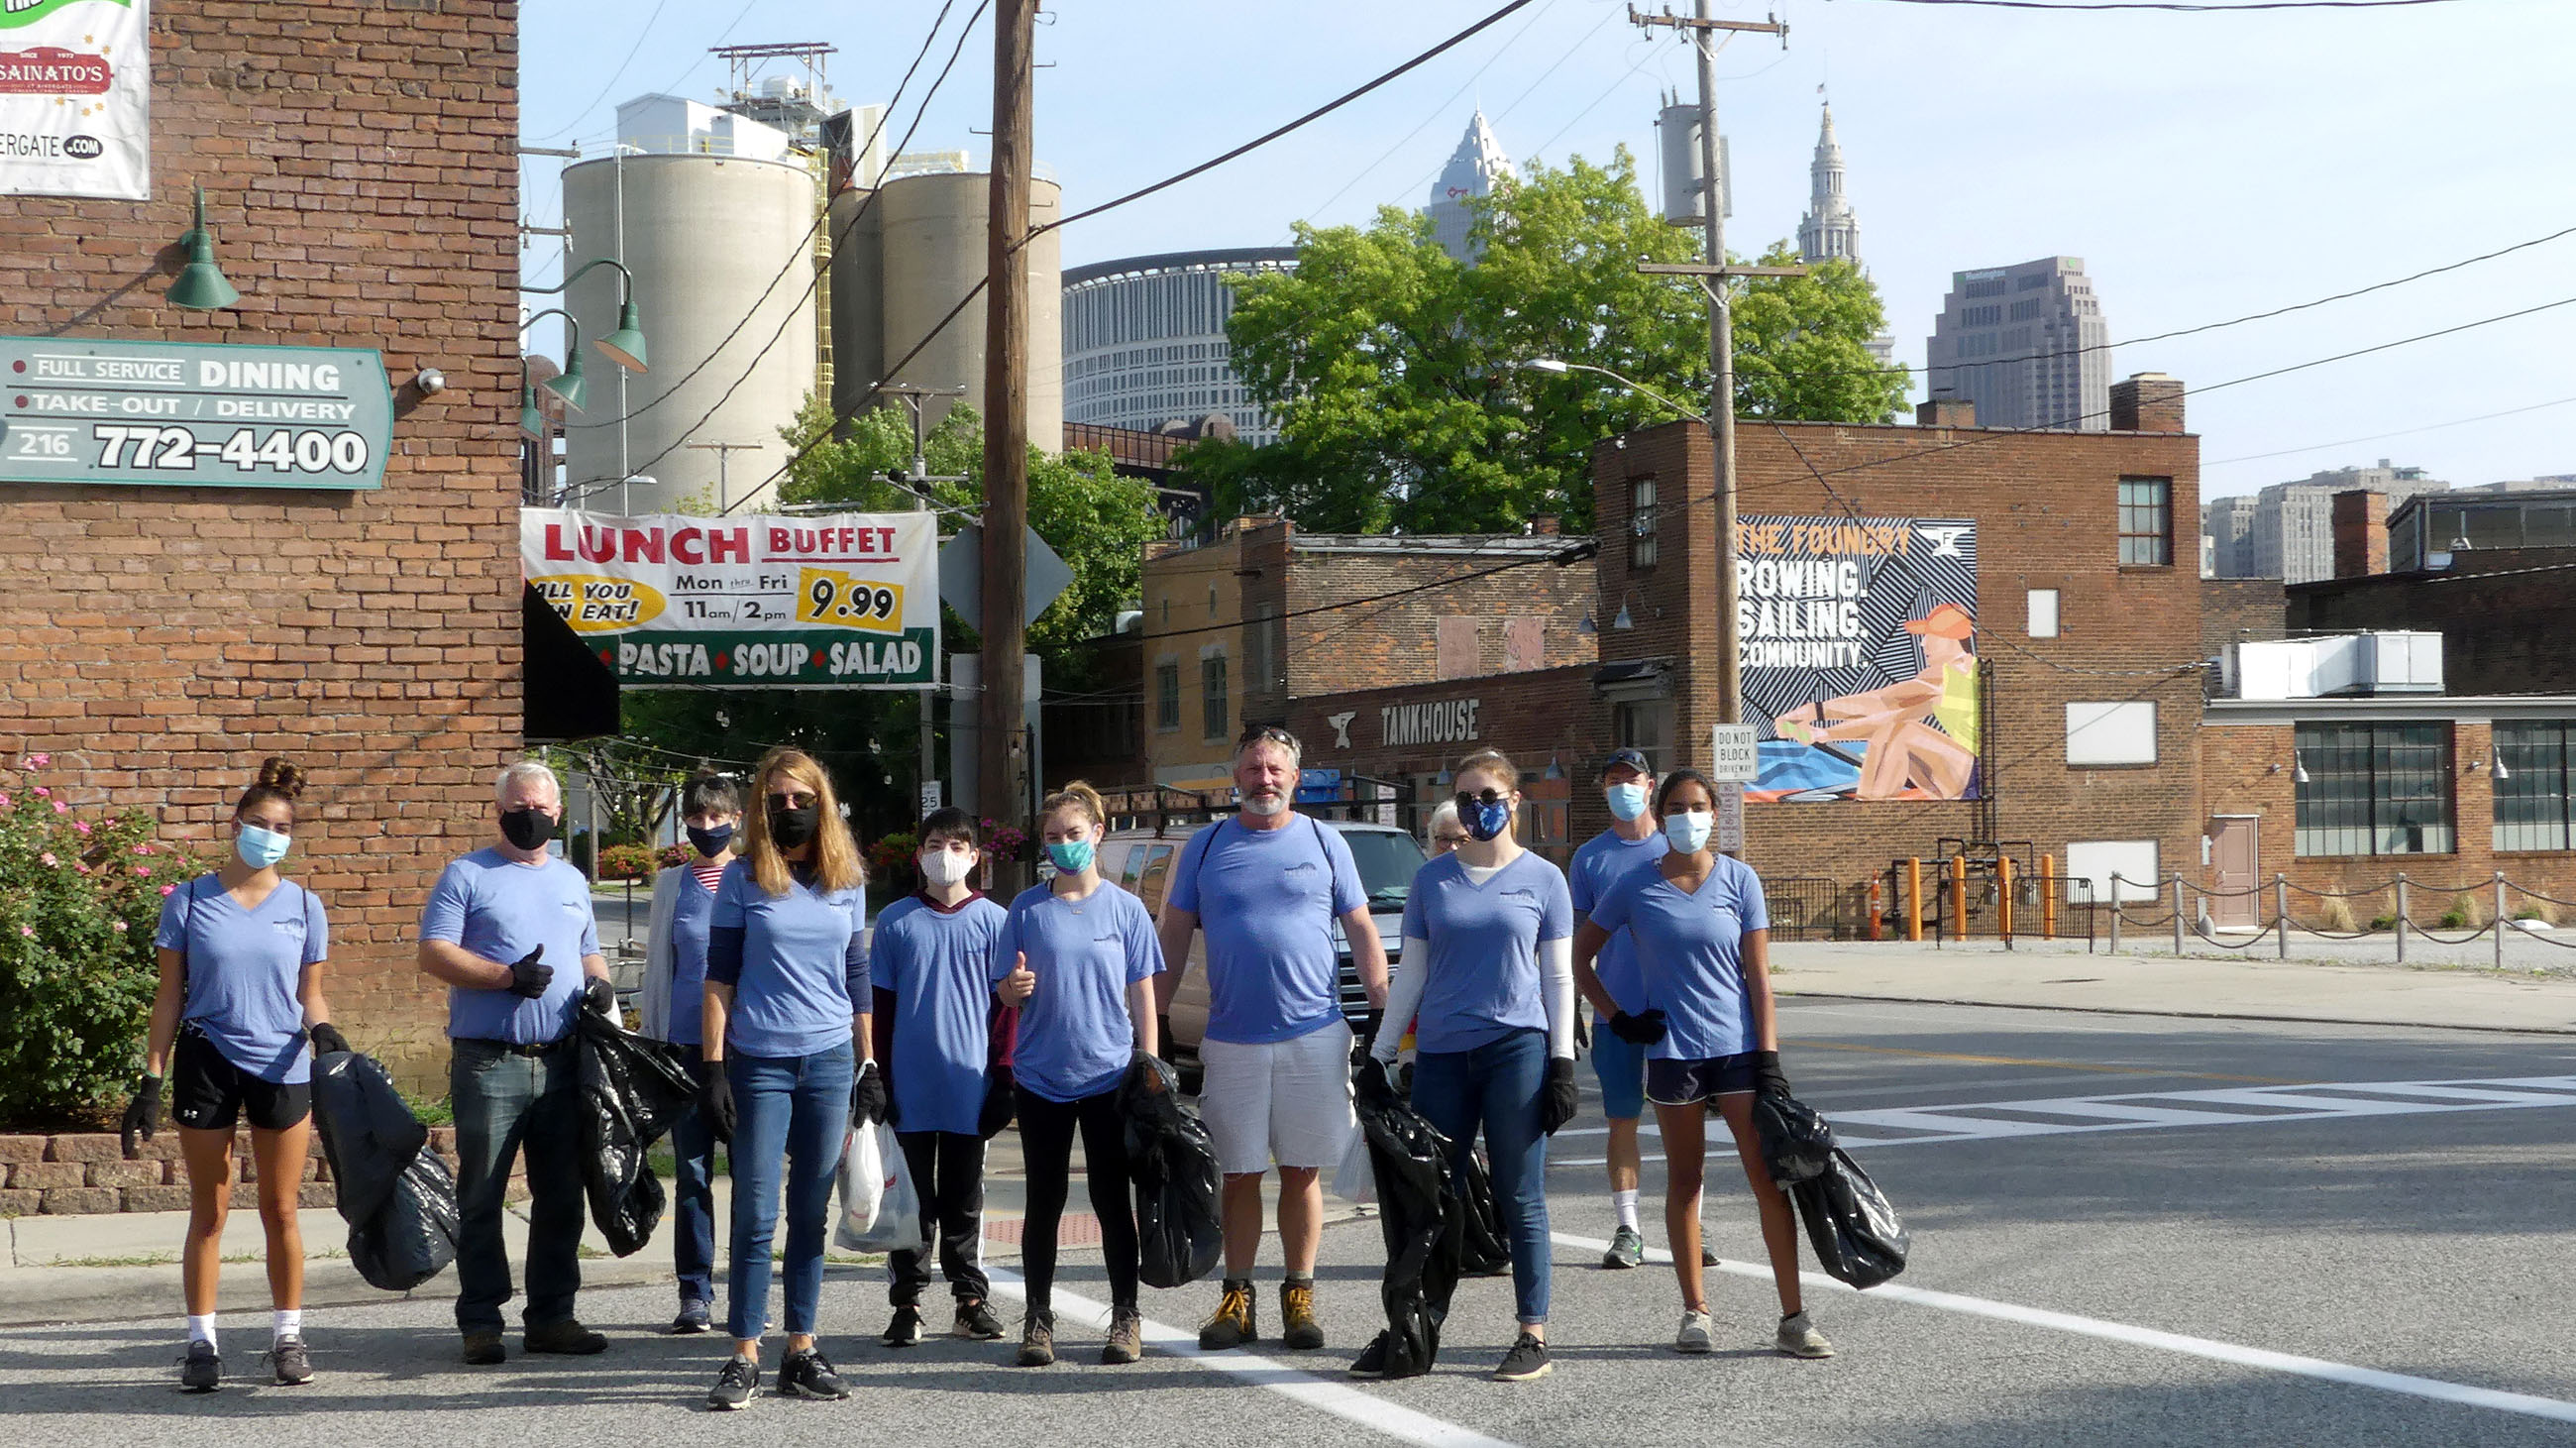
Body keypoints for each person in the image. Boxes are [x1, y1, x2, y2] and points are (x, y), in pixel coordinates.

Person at [1573, 768, 1831, 1360]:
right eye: (1676, 807)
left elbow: (1759, 978)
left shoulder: (1740, 879)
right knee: (1686, 1180)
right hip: (1673, 1053)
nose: (1687, 816)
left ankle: (1794, 1317)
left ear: (1714, 814)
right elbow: (1580, 958)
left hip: (1737, 1051)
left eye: (1697, 806)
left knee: (1767, 1179)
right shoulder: (1635, 884)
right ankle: (1696, 1311)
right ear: (1661, 815)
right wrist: (1619, 1017)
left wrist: (1769, 1057)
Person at [1157, 724, 1388, 1352]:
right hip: (1232, 1039)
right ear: (1236, 776)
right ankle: (1236, 1299)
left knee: (1301, 1171)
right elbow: (1172, 934)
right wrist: (1154, 1025)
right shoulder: (1205, 846)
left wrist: (1382, 1011)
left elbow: (1362, 927)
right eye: (1254, 768)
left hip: (1314, 1033)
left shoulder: (1325, 841)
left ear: (1295, 777)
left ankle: (1299, 1295)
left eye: (1275, 769)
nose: (1264, 779)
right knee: (1237, 1173)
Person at [123, 758, 344, 1392]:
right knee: (209, 1211)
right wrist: (151, 1079)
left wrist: (325, 1032)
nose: (269, 835)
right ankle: (201, 1343)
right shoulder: (190, 899)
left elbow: (311, 993)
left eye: (282, 827)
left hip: (281, 1063)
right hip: (208, 1060)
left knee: (281, 1209)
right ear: (235, 824)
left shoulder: (305, 906)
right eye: (259, 823)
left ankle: (288, 1338)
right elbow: (169, 994)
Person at [1361, 748, 1577, 1384]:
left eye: (1489, 796)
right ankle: (1414, 1329)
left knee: (1520, 1192)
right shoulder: (1433, 881)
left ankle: (1533, 1333)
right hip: (1442, 1057)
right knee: (1432, 1196)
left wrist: (1561, 1063)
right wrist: (1379, 1054)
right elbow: (1412, 975)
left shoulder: (1545, 879)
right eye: (1465, 797)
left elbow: (1558, 977)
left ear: (1515, 801)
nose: (1477, 807)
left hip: (1516, 1050)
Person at [698, 747, 884, 1410]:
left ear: (822, 802)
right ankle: (744, 1352)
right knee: (755, 1212)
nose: (790, 808)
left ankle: (801, 1348)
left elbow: (856, 976)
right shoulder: (744, 876)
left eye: (802, 798)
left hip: (829, 1060)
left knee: (810, 1211)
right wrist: (713, 1067)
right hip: (760, 1061)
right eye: (777, 799)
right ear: (761, 807)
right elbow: (719, 975)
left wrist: (867, 1061)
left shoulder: (847, 877)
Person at [417, 759, 615, 1367]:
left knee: (562, 1196)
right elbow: (434, 952)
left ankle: (552, 1317)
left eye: (541, 809)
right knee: (482, 1193)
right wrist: (505, 977)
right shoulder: (467, 874)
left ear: (558, 813)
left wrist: (601, 985)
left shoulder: (571, 879)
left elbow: (589, 951)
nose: (531, 817)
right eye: (519, 808)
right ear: (499, 811)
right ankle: (481, 1320)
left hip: (562, 1060)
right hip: (490, 1062)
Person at [994, 781, 1164, 1369]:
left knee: (1112, 1200)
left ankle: (1125, 1316)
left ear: (1097, 833)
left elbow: (1143, 993)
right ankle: (1038, 1319)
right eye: (1052, 836)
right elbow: (1003, 989)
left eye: (1073, 833)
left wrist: (1149, 1066)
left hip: (1109, 1075)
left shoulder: (1125, 908)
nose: (1063, 844)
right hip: (1040, 1076)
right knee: (1044, 1200)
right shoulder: (1025, 909)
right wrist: (1011, 987)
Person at [870, 807, 1011, 1348]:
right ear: (919, 855)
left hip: (969, 1088)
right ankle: (906, 1304)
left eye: (956, 846)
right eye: (934, 845)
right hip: (908, 1087)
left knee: (964, 1200)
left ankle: (969, 1301)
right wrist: (876, 1076)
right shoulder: (895, 921)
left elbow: (1006, 1012)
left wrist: (1005, 1079)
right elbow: (879, 1008)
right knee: (908, 1204)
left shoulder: (995, 921)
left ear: (975, 857)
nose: (944, 855)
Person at [638, 771, 741, 1335]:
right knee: (693, 1174)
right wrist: (652, 1040)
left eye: (717, 815)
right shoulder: (671, 885)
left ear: (736, 819)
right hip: (681, 1047)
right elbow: (659, 966)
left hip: (743, 1050)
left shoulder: (753, 878)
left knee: (749, 1174)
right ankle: (694, 1292)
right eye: (697, 817)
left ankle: (748, 1290)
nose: (707, 825)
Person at [1568, 747, 1666, 1270]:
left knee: (1683, 1122)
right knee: (1622, 1120)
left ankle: (1690, 1223)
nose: (1624, 788)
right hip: (1616, 1015)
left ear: (1651, 786)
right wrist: (1576, 1008)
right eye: (1613, 780)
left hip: (1676, 1015)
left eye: (1632, 779)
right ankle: (1628, 1227)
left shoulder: (1675, 849)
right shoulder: (1590, 858)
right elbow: (1575, 946)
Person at [1771, 602, 1979, 802]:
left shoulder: (1951, 673)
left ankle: (1869, 811)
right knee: (1894, 729)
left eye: (1929, 636)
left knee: (1902, 733)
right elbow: (1888, 718)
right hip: (1971, 780)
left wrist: (1813, 711)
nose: (1923, 643)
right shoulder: (1951, 683)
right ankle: (1869, 807)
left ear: (1952, 638)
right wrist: (1824, 733)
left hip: (1980, 777)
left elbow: (1881, 701)